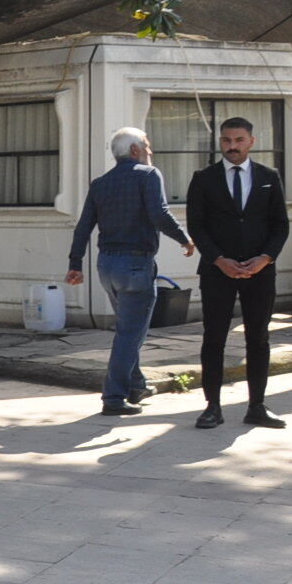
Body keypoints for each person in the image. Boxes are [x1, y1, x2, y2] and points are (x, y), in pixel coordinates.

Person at [65, 127, 194, 417]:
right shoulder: (148, 175)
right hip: (136, 264)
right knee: (130, 334)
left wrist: (75, 264)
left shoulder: (100, 183)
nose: (151, 151)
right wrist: (184, 239)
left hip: (106, 266)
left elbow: (83, 227)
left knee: (128, 328)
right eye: (147, 146)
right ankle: (114, 397)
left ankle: (136, 385)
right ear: (134, 150)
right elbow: (159, 214)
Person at [186, 117, 289, 430]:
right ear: (220, 141)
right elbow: (196, 226)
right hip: (217, 271)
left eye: (239, 140)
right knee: (214, 338)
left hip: (260, 271)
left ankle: (257, 406)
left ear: (251, 141)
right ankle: (212, 407)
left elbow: (280, 225)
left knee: (258, 338)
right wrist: (219, 259)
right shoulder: (203, 178)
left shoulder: (268, 176)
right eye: (227, 140)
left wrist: (265, 258)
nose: (232, 146)